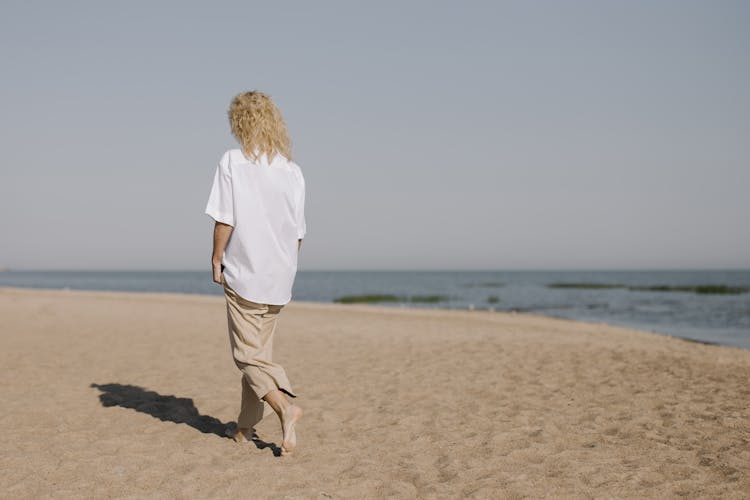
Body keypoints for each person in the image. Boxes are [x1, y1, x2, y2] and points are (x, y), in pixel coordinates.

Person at [204, 90, 306, 455]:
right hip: (279, 277)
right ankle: (245, 429)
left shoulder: (233, 161)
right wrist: (285, 268)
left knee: (246, 356)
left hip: (246, 273)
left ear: (239, 122)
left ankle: (284, 407)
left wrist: (217, 257)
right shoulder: (292, 172)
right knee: (257, 355)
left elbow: (225, 217)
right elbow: (298, 233)